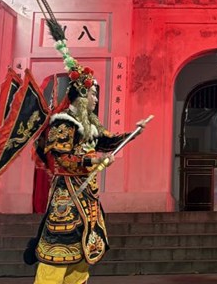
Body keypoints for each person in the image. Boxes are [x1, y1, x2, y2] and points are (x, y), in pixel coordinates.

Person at [30, 67, 147, 284]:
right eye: (93, 94)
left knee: (83, 254)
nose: (95, 99)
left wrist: (133, 133)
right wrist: (93, 160)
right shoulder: (63, 122)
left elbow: (108, 140)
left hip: (87, 196)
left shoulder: (89, 124)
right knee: (59, 252)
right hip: (67, 195)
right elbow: (61, 159)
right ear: (82, 97)